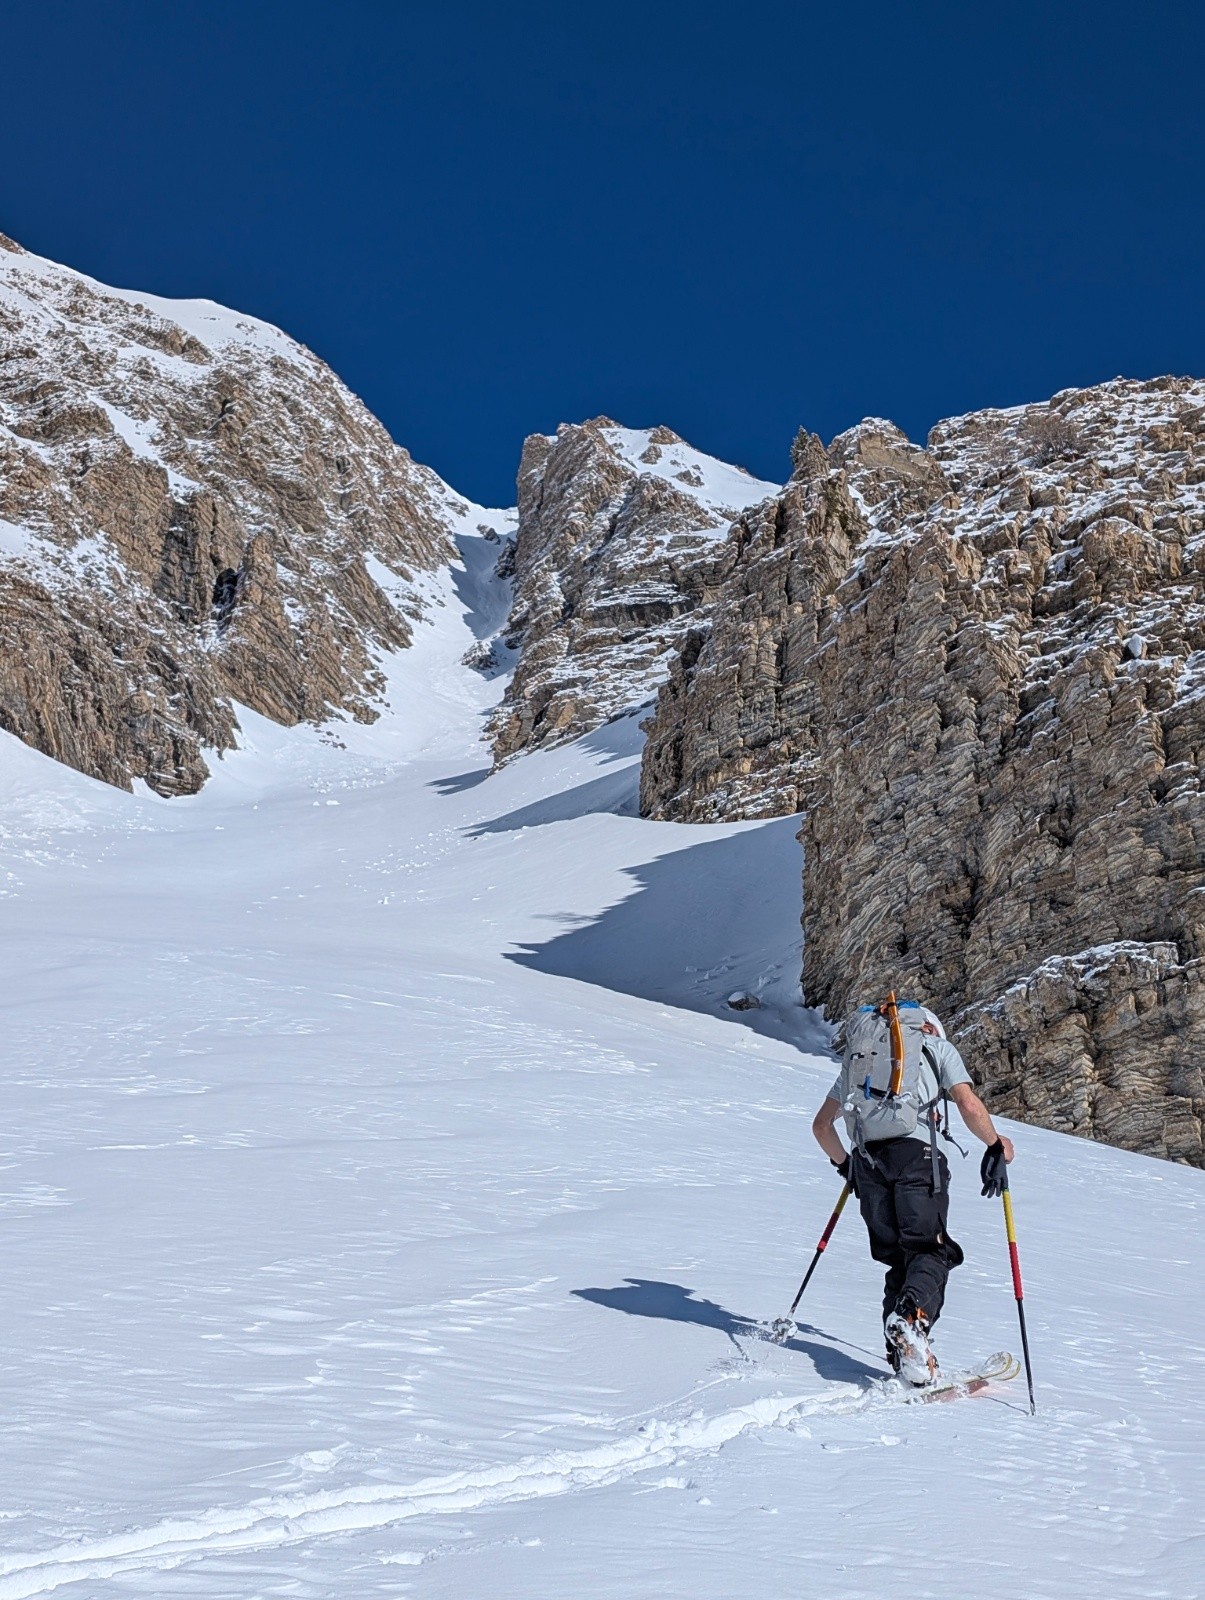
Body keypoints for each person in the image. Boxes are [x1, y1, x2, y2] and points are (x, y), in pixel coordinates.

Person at [810, 1000, 1014, 1385]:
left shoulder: (860, 1062)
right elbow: (968, 1104)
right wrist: (995, 1145)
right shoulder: (935, 1049)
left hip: (868, 1165)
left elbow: (822, 1126)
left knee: (900, 1262)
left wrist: (847, 1168)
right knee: (931, 1251)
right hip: (918, 1158)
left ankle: (905, 1358)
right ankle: (910, 1320)